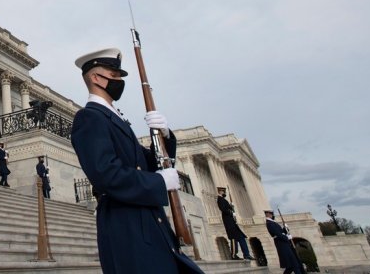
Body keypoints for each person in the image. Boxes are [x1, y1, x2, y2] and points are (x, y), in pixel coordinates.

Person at [70, 47, 204, 274]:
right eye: (114, 76)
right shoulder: (90, 117)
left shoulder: (115, 117)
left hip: (148, 220)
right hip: (127, 225)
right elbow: (106, 174)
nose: (119, 81)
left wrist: (165, 136)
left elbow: (146, 163)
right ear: (95, 78)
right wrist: (159, 183)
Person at [217, 187, 254, 260]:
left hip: (232, 222)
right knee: (233, 238)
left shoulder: (224, 200)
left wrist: (231, 207)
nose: (225, 193)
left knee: (241, 237)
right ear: (220, 192)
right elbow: (223, 209)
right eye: (223, 191)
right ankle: (234, 255)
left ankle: (246, 254)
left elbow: (227, 208)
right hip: (228, 222)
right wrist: (231, 212)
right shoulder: (220, 199)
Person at [265, 210, 304, 274]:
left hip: (284, 243)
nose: (272, 215)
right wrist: (287, 237)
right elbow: (277, 233)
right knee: (294, 264)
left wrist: (285, 228)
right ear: (267, 214)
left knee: (291, 266)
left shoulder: (272, 222)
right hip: (281, 244)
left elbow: (281, 232)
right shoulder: (269, 223)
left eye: (271, 213)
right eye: (270, 213)